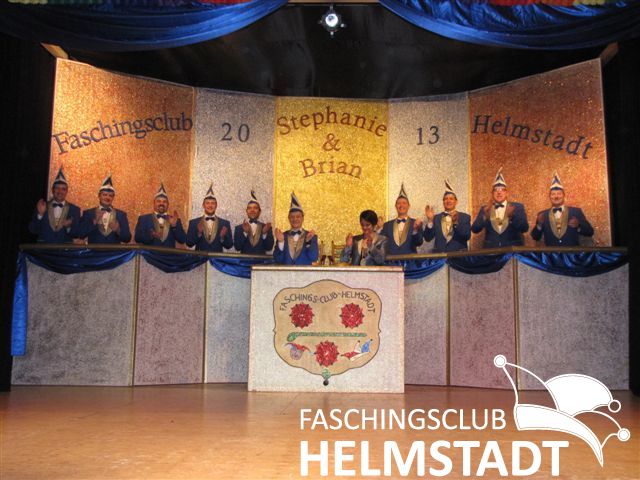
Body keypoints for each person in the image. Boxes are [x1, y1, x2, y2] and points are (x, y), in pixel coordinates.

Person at [531, 172, 594, 246]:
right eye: (553, 194)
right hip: (551, 252)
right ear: (550, 197)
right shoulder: (542, 214)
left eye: (559, 193)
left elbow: (590, 232)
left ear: (564, 196)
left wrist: (578, 225)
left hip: (572, 252)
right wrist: (539, 224)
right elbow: (535, 237)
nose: (556, 196)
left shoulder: (576, 212)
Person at [471, 168, 529, 248]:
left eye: (502, 190)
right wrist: (484, 217)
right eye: (496, 190)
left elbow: (524, 228)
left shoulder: (517, 207)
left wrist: (512, 217)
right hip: (491, 251)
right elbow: (474, 229)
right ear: (492, 193)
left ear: (506, 193)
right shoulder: (486, 208)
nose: (499, 192)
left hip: (512, 251)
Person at [28, 166, 81, 243]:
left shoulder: (74, 210)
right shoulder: (42, 206)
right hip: (43, 248)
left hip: (64, 248)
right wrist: (40, 215)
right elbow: (33, 230)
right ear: (53, 190)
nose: (60, 191)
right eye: (57, 188)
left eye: (63, 189)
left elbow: (77, 233)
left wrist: (69, 227)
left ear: (67, 191)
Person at [79, 174, 131, 244]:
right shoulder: (88, 213)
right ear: (99, 196)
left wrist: (118, 230)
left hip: (115, 251)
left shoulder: (121, 215)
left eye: (110, 196)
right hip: (93, 250)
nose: (107, 198)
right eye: (104, 195)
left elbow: (127, 239)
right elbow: (80, 234)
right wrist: (94, 222)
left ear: (113, 197)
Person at [424, 179, 471, 252]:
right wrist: (430, 221)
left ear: (456, 202)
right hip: (440, 257)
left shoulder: (465, 217)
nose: (448, 201)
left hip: (459, 257)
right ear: (443, 202)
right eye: (445, 199)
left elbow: (467, 236)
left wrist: (455, 223)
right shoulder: (436, 218)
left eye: (451, 199)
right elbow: (427, 238)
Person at [134, 183, 186, 247]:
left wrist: (174, 226)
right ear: (154, 203)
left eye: (164, 201)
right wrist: (151, 235)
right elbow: (137, 238)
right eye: (158, 201)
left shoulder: (175, 220)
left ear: (168, 204)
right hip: (149, 253)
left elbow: (182, 240)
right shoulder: (144, 219)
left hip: (169, 253)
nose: (161, 203)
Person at [273, 192, 319, 265]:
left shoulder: (311, 236)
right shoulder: (282, 236)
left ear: (302, 218)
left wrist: (308, 242)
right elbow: (278, 260)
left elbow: (313, 258)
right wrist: (281, 242)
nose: (295, 219)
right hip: (286, 272)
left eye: (298, 216)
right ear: (289, 218)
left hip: (304, 272)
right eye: (292, 217)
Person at [186, 184, 233, 252]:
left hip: (217, 258)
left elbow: (229, 245)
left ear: (216, 205)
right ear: (203, 205)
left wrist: (222, 237)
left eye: (213, 203)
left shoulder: (225, 223)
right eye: (207, 203)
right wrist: (198, 233)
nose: (210, 205)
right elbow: (189, 244)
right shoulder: (194, 223)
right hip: (199, 258)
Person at [380, 183, 423, 254]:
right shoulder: (387, 225)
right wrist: (379, 229)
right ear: (395, 206)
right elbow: (381, 244)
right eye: (399, 203)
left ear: (409, 206)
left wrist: (415, 230)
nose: (401, 205)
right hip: (392, 260)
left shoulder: (416, 223)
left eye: (404, 203)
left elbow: (419, 242)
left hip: (410, 260)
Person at [233, 190, 274, 254]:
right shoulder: (239, 228)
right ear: (246, 211)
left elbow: (269, 248)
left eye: (255, 208)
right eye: (249, 208)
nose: (252, 210)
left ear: (259, 211)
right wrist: (245, 233)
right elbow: (237, 247)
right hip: (244, 260)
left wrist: (264, 234)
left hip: (261, 260)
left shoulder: (266, 227)